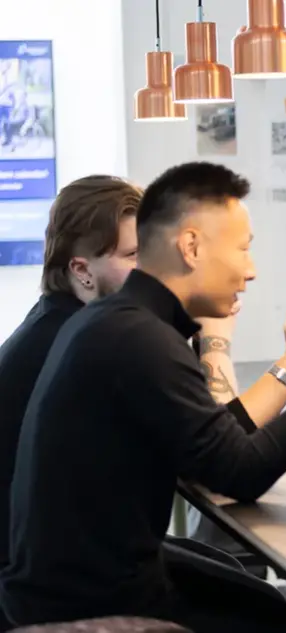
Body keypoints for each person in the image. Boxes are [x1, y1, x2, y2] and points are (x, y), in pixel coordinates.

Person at [0, 162, 286, 632]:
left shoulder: (114, 322)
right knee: (275, 618)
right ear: (190, 247)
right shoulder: (135, 336)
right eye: (243, 250)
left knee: (260, 597)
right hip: (84, 599)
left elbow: (214, 445)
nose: (250, 271)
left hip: (65, 576)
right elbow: (239, 473)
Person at [0, 175, 140, 581]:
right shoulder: (82, 342)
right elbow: (209, 453)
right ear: (81, 270)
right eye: (133, 255)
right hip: (45, 576)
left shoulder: (55, 319)